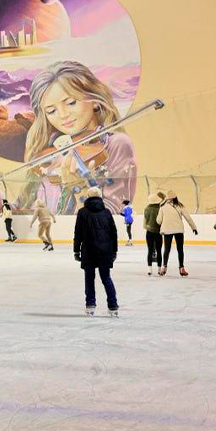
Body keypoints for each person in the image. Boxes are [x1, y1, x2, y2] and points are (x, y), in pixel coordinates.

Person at [24, 61, 137, 214]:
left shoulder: (116, 144)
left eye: (71, 103)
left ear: (95, 101)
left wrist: (81, 190)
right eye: (51, 111)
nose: (63, 115)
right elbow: (25, 204)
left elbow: (111, 215)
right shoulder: (49, 153)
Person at [73, 187, 119, 317]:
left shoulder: (82, 212)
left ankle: (90, 305)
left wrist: (76, 251)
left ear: (87, 196)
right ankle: (113, 305)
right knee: (106, 278)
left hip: (89, 250)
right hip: (105, 251)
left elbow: (78, 233)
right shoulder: (107, 212)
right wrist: (114, 251)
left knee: (89, 279)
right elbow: (113, 233)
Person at [156, 191, 197, 277]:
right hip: (179, 230)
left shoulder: (162, 206)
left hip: (167, 231)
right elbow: (188, 218)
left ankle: (164, 267)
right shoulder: (180, 205)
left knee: (167, 249)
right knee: (180, 249)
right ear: (175, 197)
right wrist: (194, 228)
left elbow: (158, 221)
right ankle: (181, 268)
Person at [143, 193, 163, 276]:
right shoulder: (160, 209)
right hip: (158, 232)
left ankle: (149, 269)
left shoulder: (146, 209)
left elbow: (145, 220)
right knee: (159, 251)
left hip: (149, 232)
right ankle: (159, 269)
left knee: (150, 250)